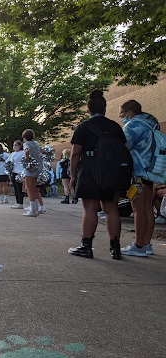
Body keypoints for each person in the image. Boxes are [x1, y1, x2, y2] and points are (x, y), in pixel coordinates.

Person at [68, 90, 126, 259]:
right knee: (111, 209)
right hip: (111, 171)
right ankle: (115, 248)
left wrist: (73, 176)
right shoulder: (115, 127)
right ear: (105, 109)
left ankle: (86, 246)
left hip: (89, 169)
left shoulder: (83, 127)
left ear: (88, 110)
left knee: (90, 208)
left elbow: (75, 154)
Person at [120, 100, 160, 256]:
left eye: (122, 113)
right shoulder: (151, 124)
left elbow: (123, 147)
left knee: (137, 209)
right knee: (148, 209)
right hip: (150, 172)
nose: (121, 116)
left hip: (137, 172)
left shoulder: (133, 126)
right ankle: (146, 244)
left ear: (130, 112)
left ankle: (138, 246)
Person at [22, 129, 43, 217]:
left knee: (29, 189)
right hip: (38, 167)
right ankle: (35, 208)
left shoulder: (26, 143)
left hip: (30, 168)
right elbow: (43, 152)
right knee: (34, 189)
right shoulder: (36, 143)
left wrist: (27, 160)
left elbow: (26, 151)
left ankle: (33, 210)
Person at [8, 140, 25, 209]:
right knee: (15, 188)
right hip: (14, 172)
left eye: (16, 145)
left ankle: (21, 203)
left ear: (20, 146)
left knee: (19, 188)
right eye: (14, 145)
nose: (14, 147)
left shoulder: (22, 153)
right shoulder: (12, 154)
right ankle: (17, 202)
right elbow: (8, 161)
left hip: (20, 172)